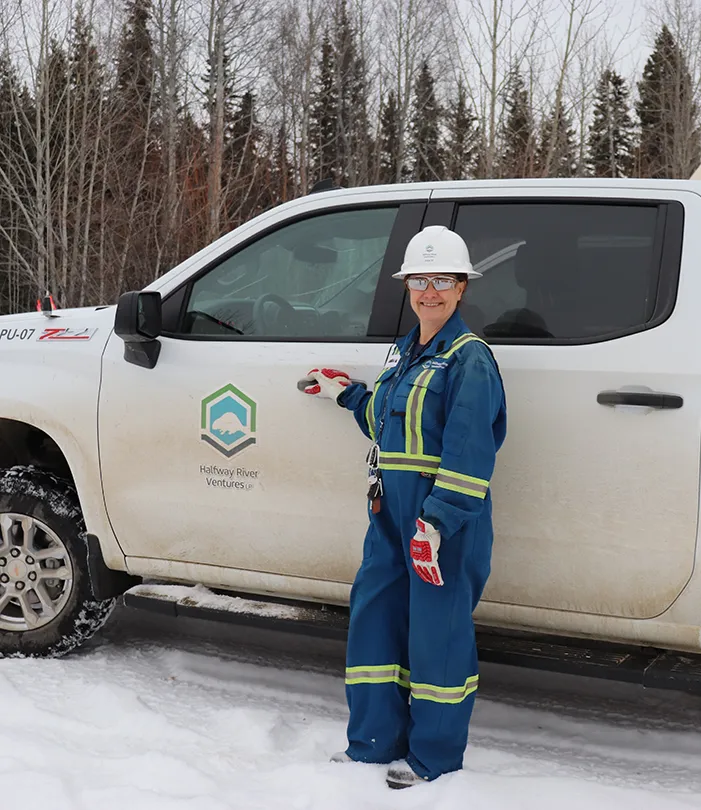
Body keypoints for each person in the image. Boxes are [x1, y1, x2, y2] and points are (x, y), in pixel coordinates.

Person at [301, 225, 507, 789]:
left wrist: (437, 523)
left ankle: (432, 758)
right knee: (376, 617)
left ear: (462, 287)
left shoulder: (470, 360)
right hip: (388, 509)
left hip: (440, 515)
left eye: (443, 280)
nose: (430, 291)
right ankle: (372, 741)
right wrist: (344, 394)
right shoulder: (404, 351)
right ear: (408, 286)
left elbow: (471, 454)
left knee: (436, 632)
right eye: (421, 280)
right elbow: (390, 423)